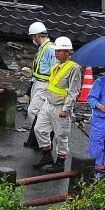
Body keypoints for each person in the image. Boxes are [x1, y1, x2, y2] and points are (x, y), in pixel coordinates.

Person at [33, 36, 82, 173]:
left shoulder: (74, 68)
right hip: (48, 104)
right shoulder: (56, 67)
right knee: (39, 129)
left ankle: (60, 162)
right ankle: (47, 155)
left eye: (59, 51)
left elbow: (74, 91)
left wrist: (66, 109)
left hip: (60, 107)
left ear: (67, 52)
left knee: (61, 135)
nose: (56, 53)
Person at [23, 22, 56, 149]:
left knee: (34, 112)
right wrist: (30, 87)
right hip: (38, 83)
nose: (32, 39)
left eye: (33, 36)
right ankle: (38, 140)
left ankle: (44, 139)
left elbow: (55, 70)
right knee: (37, 112)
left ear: (37, 36)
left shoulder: (50, 49)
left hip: (44, 85)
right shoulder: (42, 48)